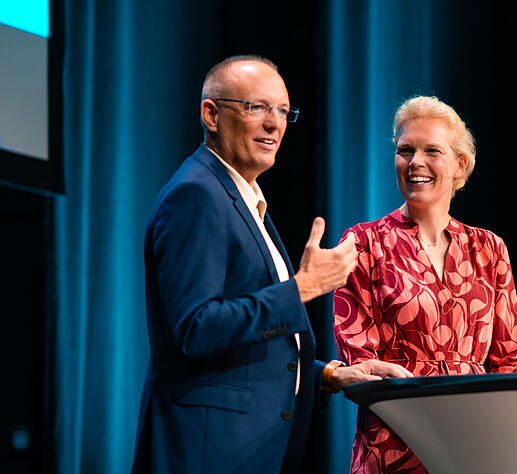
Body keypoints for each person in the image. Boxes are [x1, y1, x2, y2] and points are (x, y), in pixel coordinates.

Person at [132, 55, 412, 474]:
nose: (274, 124)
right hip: (209, 450)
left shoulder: (240, 196)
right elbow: (195, 328)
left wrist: (332, 375)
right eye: (257, 108)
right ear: (211, 115)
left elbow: (244, 348)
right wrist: (302, 288)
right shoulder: (196, 195)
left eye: (282, 111)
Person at [333, 96, 517, 473]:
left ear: (460, 164)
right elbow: (360, 363)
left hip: (475, 442)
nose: (415, 162)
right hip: (394, 442)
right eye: (405, 150)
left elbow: (511, 360)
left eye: (431, 151)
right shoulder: (363, 244)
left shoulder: (489, 248)